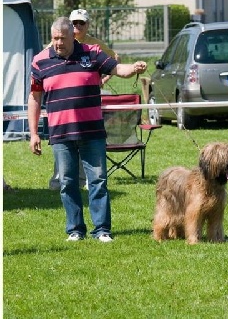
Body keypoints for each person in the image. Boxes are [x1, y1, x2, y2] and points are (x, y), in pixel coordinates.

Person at [28, 17, 147, 242]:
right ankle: (75, 229)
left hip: (92, 132)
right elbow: (34, 97)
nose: (58, 43)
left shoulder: (91, 53)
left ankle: (102, 230)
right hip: (60, 133)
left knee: (98, 180)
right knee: (67, 183)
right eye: (54, 38)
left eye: (62, 38)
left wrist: (134, 68)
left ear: (74, 35)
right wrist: (34, 133)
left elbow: (118, 68)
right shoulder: (40, 61)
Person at [49, 8, 120, 190]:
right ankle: (60, 180)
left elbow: (114, 61)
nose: (78, 26)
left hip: (87, 104)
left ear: (87, 25)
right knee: (65, 146)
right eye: (74, 23)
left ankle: (89, 181)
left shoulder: (94, 46)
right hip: (63, 109)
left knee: (89, 142)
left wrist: (102, 79)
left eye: (81, 23)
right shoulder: (57, 43)